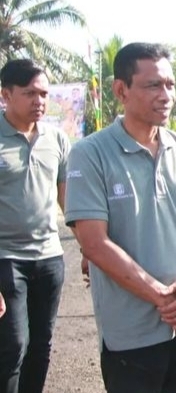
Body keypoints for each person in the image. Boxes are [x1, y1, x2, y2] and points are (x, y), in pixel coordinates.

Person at [64, 42, 176, 393]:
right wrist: (166, 301)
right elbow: (94, 243)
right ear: (121, 90)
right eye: (153, 85)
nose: (166, 95)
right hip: (132, 333)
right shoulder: (90, 155)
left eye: (170, 84)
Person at [0, 59, 72, 393]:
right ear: (5, 94)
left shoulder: (56, 139)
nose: (39, 101)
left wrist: (90, 248)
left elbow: (66, 199)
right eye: (30, 93)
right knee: (13, 345)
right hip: (6, 259)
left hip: (49, 257)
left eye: (43, 93)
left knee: (41, 345)